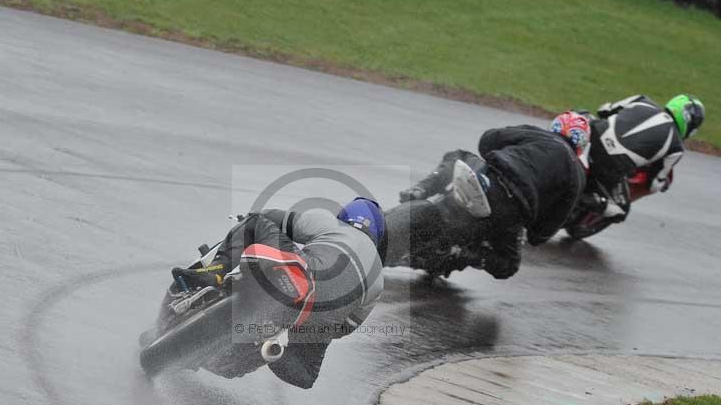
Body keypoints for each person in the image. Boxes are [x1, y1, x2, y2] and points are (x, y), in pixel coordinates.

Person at [172, 197, 385, 389]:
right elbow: (346, 328)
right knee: (304, 374)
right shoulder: (379, 281)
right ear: (377, 236)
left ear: (345, 216)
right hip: (315, 321)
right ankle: (267, 352)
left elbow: (271, 217)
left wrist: (246, 219)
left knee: (255, 223)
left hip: (299, 279)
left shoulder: (333, 225)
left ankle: (217, 271)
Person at [398, 113, 588, 279]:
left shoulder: (536, 133)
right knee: (507, 266)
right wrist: (534, 232)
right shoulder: (577, 176)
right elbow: (551, 224)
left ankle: (420, 190)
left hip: (487, 176)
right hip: (512, 212)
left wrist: (497, 155)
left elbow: (488, 140)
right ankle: (464, 254)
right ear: (581, 144)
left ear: (556, 126)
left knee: (458, 156)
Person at [582, 94, 705, 221]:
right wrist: (662, 184)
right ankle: (588, 200)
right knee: (620, 212)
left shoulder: (641, 100)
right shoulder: (676, 148)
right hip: (611, 166)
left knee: (581, 114)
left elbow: (603, 110)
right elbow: (653, 184)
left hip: (593, 135)